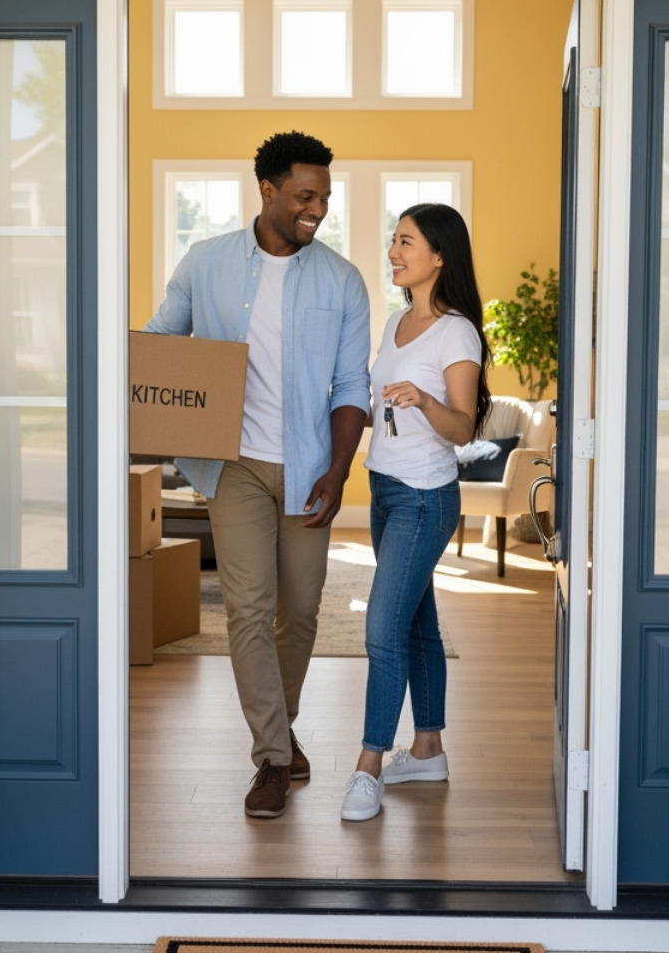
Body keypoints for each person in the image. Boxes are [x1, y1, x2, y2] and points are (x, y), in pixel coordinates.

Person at [145, 131, 371, 819]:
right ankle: (273, 757)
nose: (317, 210)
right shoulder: (206, 263)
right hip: (233, 465)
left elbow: (350, 388)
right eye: (305, 196)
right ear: (267, 191)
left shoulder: (342, 280)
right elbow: (160, 344)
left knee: (298, 613)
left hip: (308, 468)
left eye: (325, 198)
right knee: (246, 609)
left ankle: (280, 731)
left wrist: (337, 472)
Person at [340, 202, 492, 822]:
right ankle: (427, 750)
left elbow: (459, 427)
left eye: (405, 241)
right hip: (385, 490)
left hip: (426, 498)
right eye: (393, 240)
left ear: (439, 255)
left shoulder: (457, 331)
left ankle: (368, 765)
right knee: (418, 625)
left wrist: (426, 399)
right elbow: (389, 411)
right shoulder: (398, 323)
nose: (393, 251)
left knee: (382, 630)